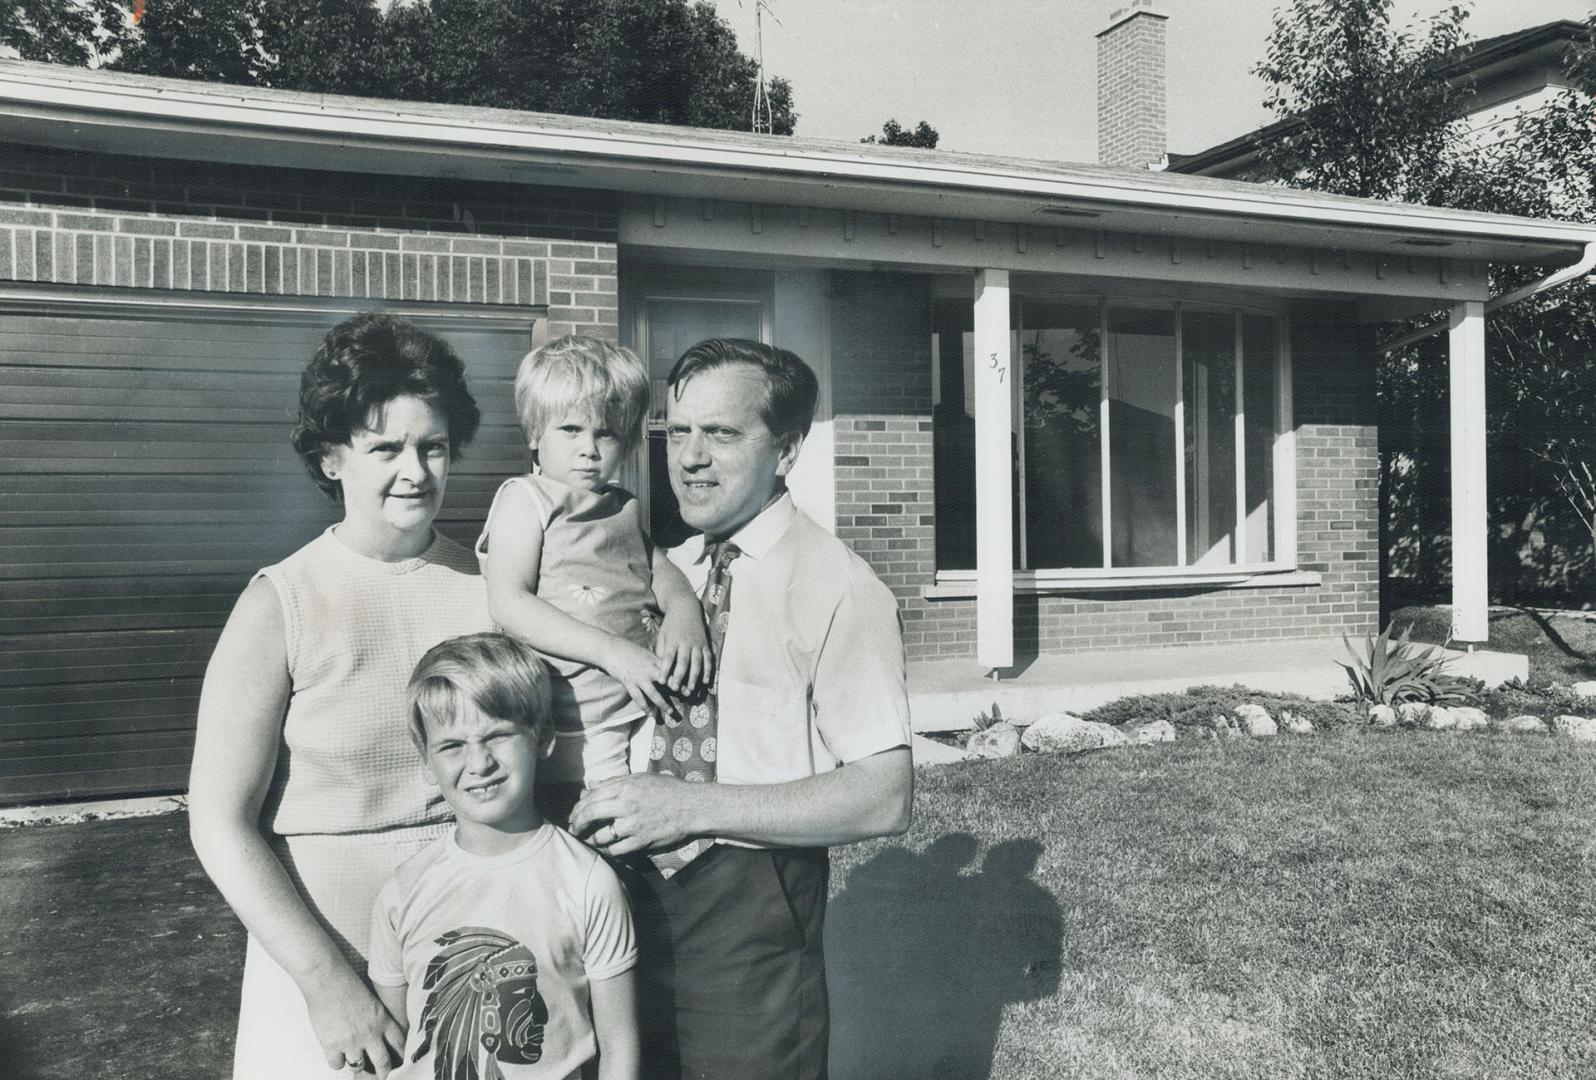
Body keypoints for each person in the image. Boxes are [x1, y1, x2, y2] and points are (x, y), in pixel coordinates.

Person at [569, 338, 915, 1080]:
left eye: (721, 434)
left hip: (750, 902)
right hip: (628, 887)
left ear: (786, 450)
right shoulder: (673, 568)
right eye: (675, 432)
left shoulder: (839, 589)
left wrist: (689, 810)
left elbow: (884, 797)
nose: (689, 457)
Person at [188, 313, 493, 1079]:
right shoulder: (280, 602)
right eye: (385, 448)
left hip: (473, 945)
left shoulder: (495, 591)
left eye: (432, 446)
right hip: (328, 969)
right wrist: (327, 984)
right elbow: (219, 822)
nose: (415, 472)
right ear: (331, 458)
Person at [368, 632, 639, 1080]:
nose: (479, 763)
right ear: (425, 761)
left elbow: (620, 1052)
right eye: (452, 746)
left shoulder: (589, 882)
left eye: (498, 736)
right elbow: (392, 1051)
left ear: (544, 739)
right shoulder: (404, 890)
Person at [476, 335, 709, 822]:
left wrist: (685, 613)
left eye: (606, 434)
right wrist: (614, 653)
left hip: (640, 697)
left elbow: (661, 570)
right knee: (594, 823)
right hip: (573, 713)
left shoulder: (620, 505)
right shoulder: (528, 498)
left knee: (651, 813)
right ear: (535, 433)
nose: (589, 449)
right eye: (570, 429)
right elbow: (509, 601)